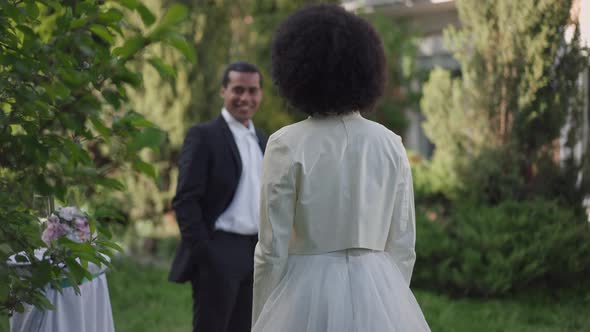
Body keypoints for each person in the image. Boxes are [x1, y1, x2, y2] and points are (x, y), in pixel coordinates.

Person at [251, 5, 431, 332]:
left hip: (304, 293)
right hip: (380, 291)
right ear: (366, 69)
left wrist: (263, 315)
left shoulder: (286, 143)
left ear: (297, 71)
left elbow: (271, 249)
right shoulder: (390, 143)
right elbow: (404, 243)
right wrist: (389, 299)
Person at [169, 61, 267, 332]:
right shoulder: (203, 136)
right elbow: (185, 199)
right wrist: (204, 251)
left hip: (255, 252)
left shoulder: (264, 140)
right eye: (237, 90)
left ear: (260, 94)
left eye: (252, 90)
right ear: (223, 91)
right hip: (218, 249)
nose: (245, 98)